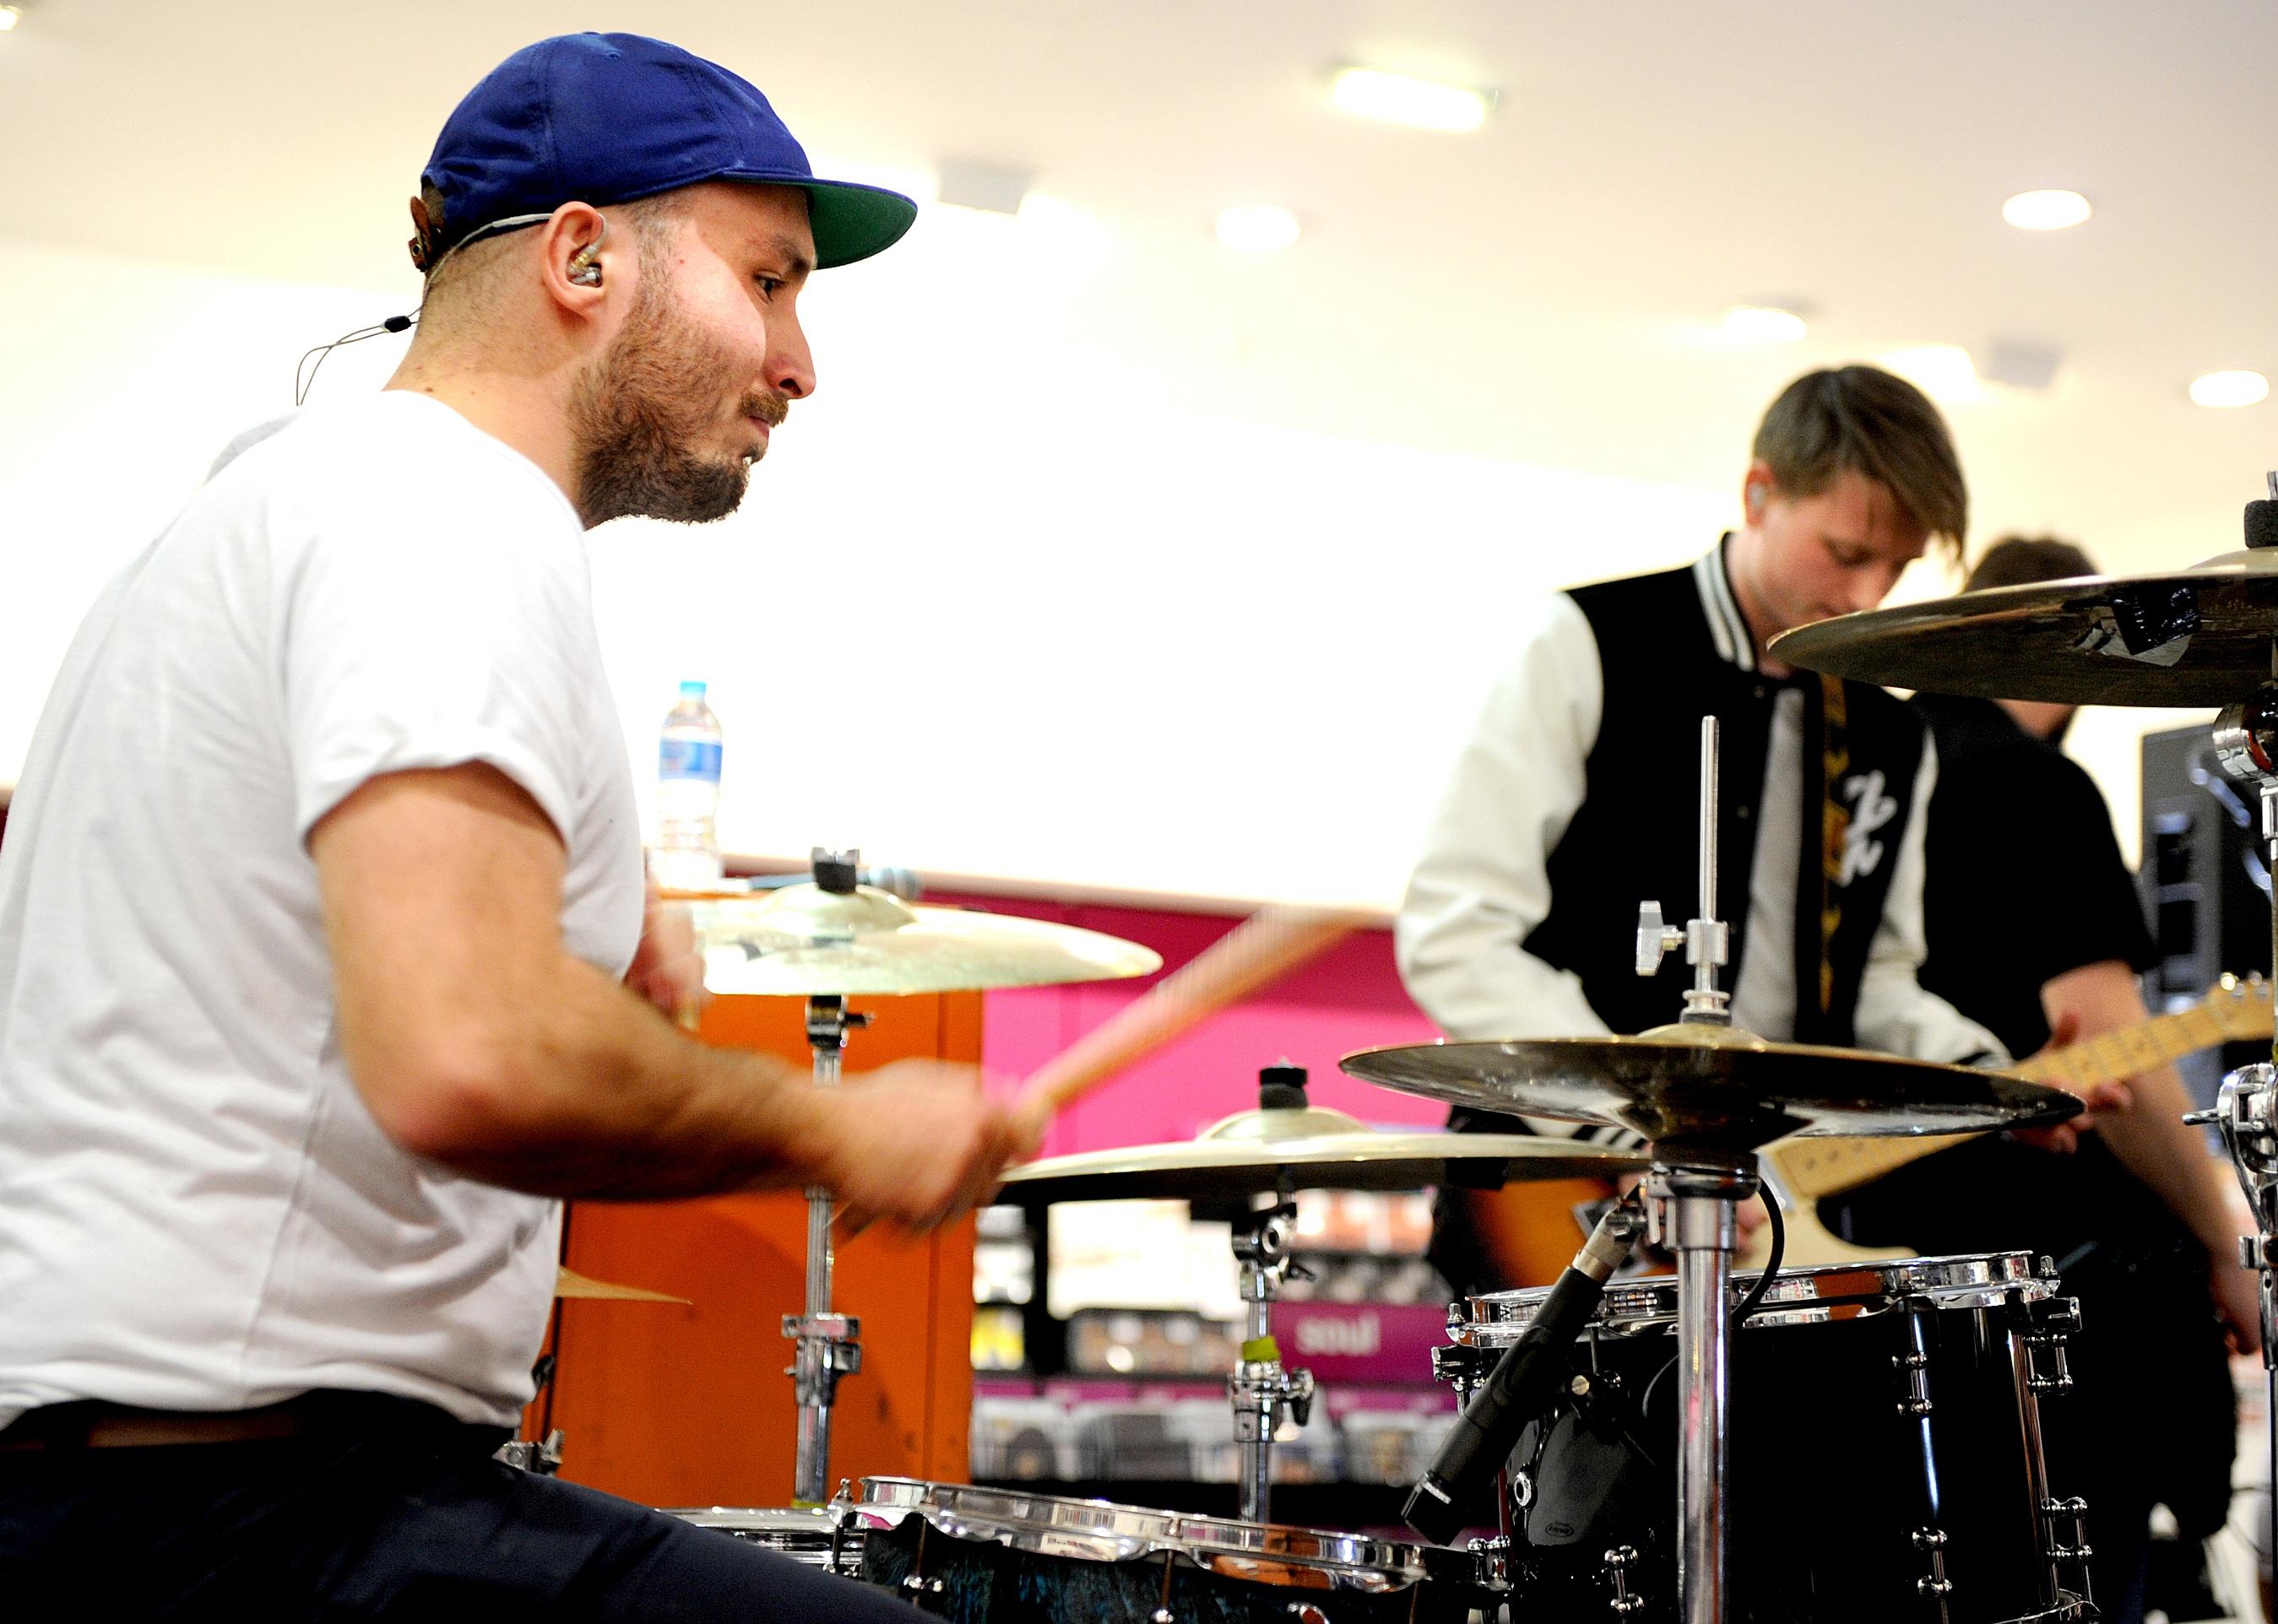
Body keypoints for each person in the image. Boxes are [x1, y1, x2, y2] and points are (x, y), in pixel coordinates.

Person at [0, 33, 1032, 1618]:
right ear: (579, 254)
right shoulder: (443, 505)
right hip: (244, 1510)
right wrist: (831, 1123)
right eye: (767, 279)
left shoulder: (278, 501)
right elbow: (469, 1050)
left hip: (131, 1493)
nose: (800, 359)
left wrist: (591, 935)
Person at [1397, 364, 2015, 1294]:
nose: (1870, 592)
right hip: (1562, 1200)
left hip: (1774, 1218)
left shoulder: (1890, 732)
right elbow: (1456, 934)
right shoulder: (1586, 641)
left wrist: (1987, 1074)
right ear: (1759, 492)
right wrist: (1623, 1121)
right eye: (1845, 551)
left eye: (1897, 564)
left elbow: (1875, 983)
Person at [1822, 535, 2257, 1623]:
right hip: (2047, 1314)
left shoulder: (1867, 779)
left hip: (1866, 1296)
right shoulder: (2036, 785)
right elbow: (2121, 1054)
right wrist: (2224, 1240)